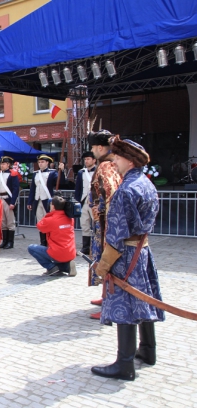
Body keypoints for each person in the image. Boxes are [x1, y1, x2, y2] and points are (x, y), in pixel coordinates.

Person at [90, 136, 164, 382]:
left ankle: (124, 365)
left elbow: (116, 234)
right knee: (143, 298)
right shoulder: (147, 184)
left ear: (130, 161)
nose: (114, 162)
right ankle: (148, 350)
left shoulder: (126, 190)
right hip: (143, 251)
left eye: (118, 158)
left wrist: (103, 265)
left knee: (125, 305)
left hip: (125, 254)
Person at [87, 130, 122, 320]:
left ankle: (109, 303)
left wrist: (99, 211)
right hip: (103, 220)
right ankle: (104, 295)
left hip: (105, 223)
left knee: (106, 260)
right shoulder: (111, 163)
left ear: (100, 147)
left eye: (93, 147)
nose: (92, 151)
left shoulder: (106, 166)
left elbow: (111, 195)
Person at [27, 196, 76, 276]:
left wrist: (48, 214)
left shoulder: (51, 219)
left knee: (31, 248)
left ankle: (51, 267)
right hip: (70, 252)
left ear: (53, 206)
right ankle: (68, 266)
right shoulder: (70, 219)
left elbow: (40, 226)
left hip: (57, 252)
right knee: (59, 260)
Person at [27, 154, 65, 246]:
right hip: (37, 200)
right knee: (41, 222)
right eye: (39, 162)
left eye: (42, 162)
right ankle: (43, 242)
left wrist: (62, 171)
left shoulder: (52, 173)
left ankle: (50, 242)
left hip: (48, 201)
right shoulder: (36, 174)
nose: (40, 164)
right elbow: (32, 189)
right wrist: (30, 201)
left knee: (50, 222)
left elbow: (61, 182)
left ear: (47, 163)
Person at [0, 156, 20, 249]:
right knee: (3, 222)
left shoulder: (13, 174)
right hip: (0, 199)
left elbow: (15, 189)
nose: (2, 165)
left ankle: (10, 242)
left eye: (4, 164)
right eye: (1, 164)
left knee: (10, 222)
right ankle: (4, 241)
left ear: (8, 164)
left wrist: (13, 202)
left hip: (8, 199)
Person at [74, 151, 97, 254]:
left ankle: (97, 246)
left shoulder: (98, 171)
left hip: (95, 202)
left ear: (94, 160)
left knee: (96, 224)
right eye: (85, 159)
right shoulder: (81, 172)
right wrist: (77, 201)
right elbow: (78, 188)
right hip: (84, 201)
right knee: (84, 224)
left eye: (88, 159)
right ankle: (86, 247)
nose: (86, 161)